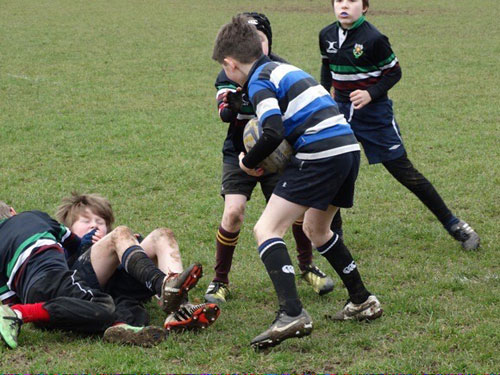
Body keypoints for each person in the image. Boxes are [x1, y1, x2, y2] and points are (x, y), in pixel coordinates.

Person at [212, 15, 382, 350]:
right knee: (317, 229)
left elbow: (272, 130)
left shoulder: (259, 80)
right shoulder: (283, 69)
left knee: (266, 229)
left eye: (224, 67)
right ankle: (362, 300)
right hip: (347, 148)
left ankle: (291, 312)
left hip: (320, 153)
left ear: (230, 64)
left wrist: (248, 160)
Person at [319, 0, 480, 251]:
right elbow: (327, 66)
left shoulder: (374, 38)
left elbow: (394, 72)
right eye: (339, 0)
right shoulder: (326, 35)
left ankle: (455, 224)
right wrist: (324, 90)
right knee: (336, 168)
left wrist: (370, 94)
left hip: (375, 117)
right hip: (341, 113)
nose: (344, 5)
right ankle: (333, 235)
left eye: (352, 1)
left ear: (365, 7)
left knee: (403, 171)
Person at [206, 12, 334, 304]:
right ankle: (220, 281)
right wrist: (233, 106)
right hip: (239, 153)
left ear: (267, 42)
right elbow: (224, 112)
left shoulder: (280, 70)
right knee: (233, 213)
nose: (256, 46)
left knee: (295, 214)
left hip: (277, 153)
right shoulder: (229, 70)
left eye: (261, 40)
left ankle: (307, 267)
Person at [55, 193, 220, 343]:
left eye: (100, 222)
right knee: (121, 232)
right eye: (86, 221)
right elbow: (56, 276)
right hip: (81, 284)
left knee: (162, 235)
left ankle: (179, 307)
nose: (95, 226)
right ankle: (164, 287)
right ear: (68, 229)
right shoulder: (62, 246)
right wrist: (81, 247)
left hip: (117, 287)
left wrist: (134, 250)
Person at [0, 200, 116, 349]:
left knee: (78, 318)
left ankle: (26, 313)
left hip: (31, 296)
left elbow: (9, 301)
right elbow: (72, 242)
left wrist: (15, 308)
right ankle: (22, 312)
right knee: (104, 306)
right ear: (12, 211)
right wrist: (86, 244)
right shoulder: (34, 216)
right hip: (54, 277)